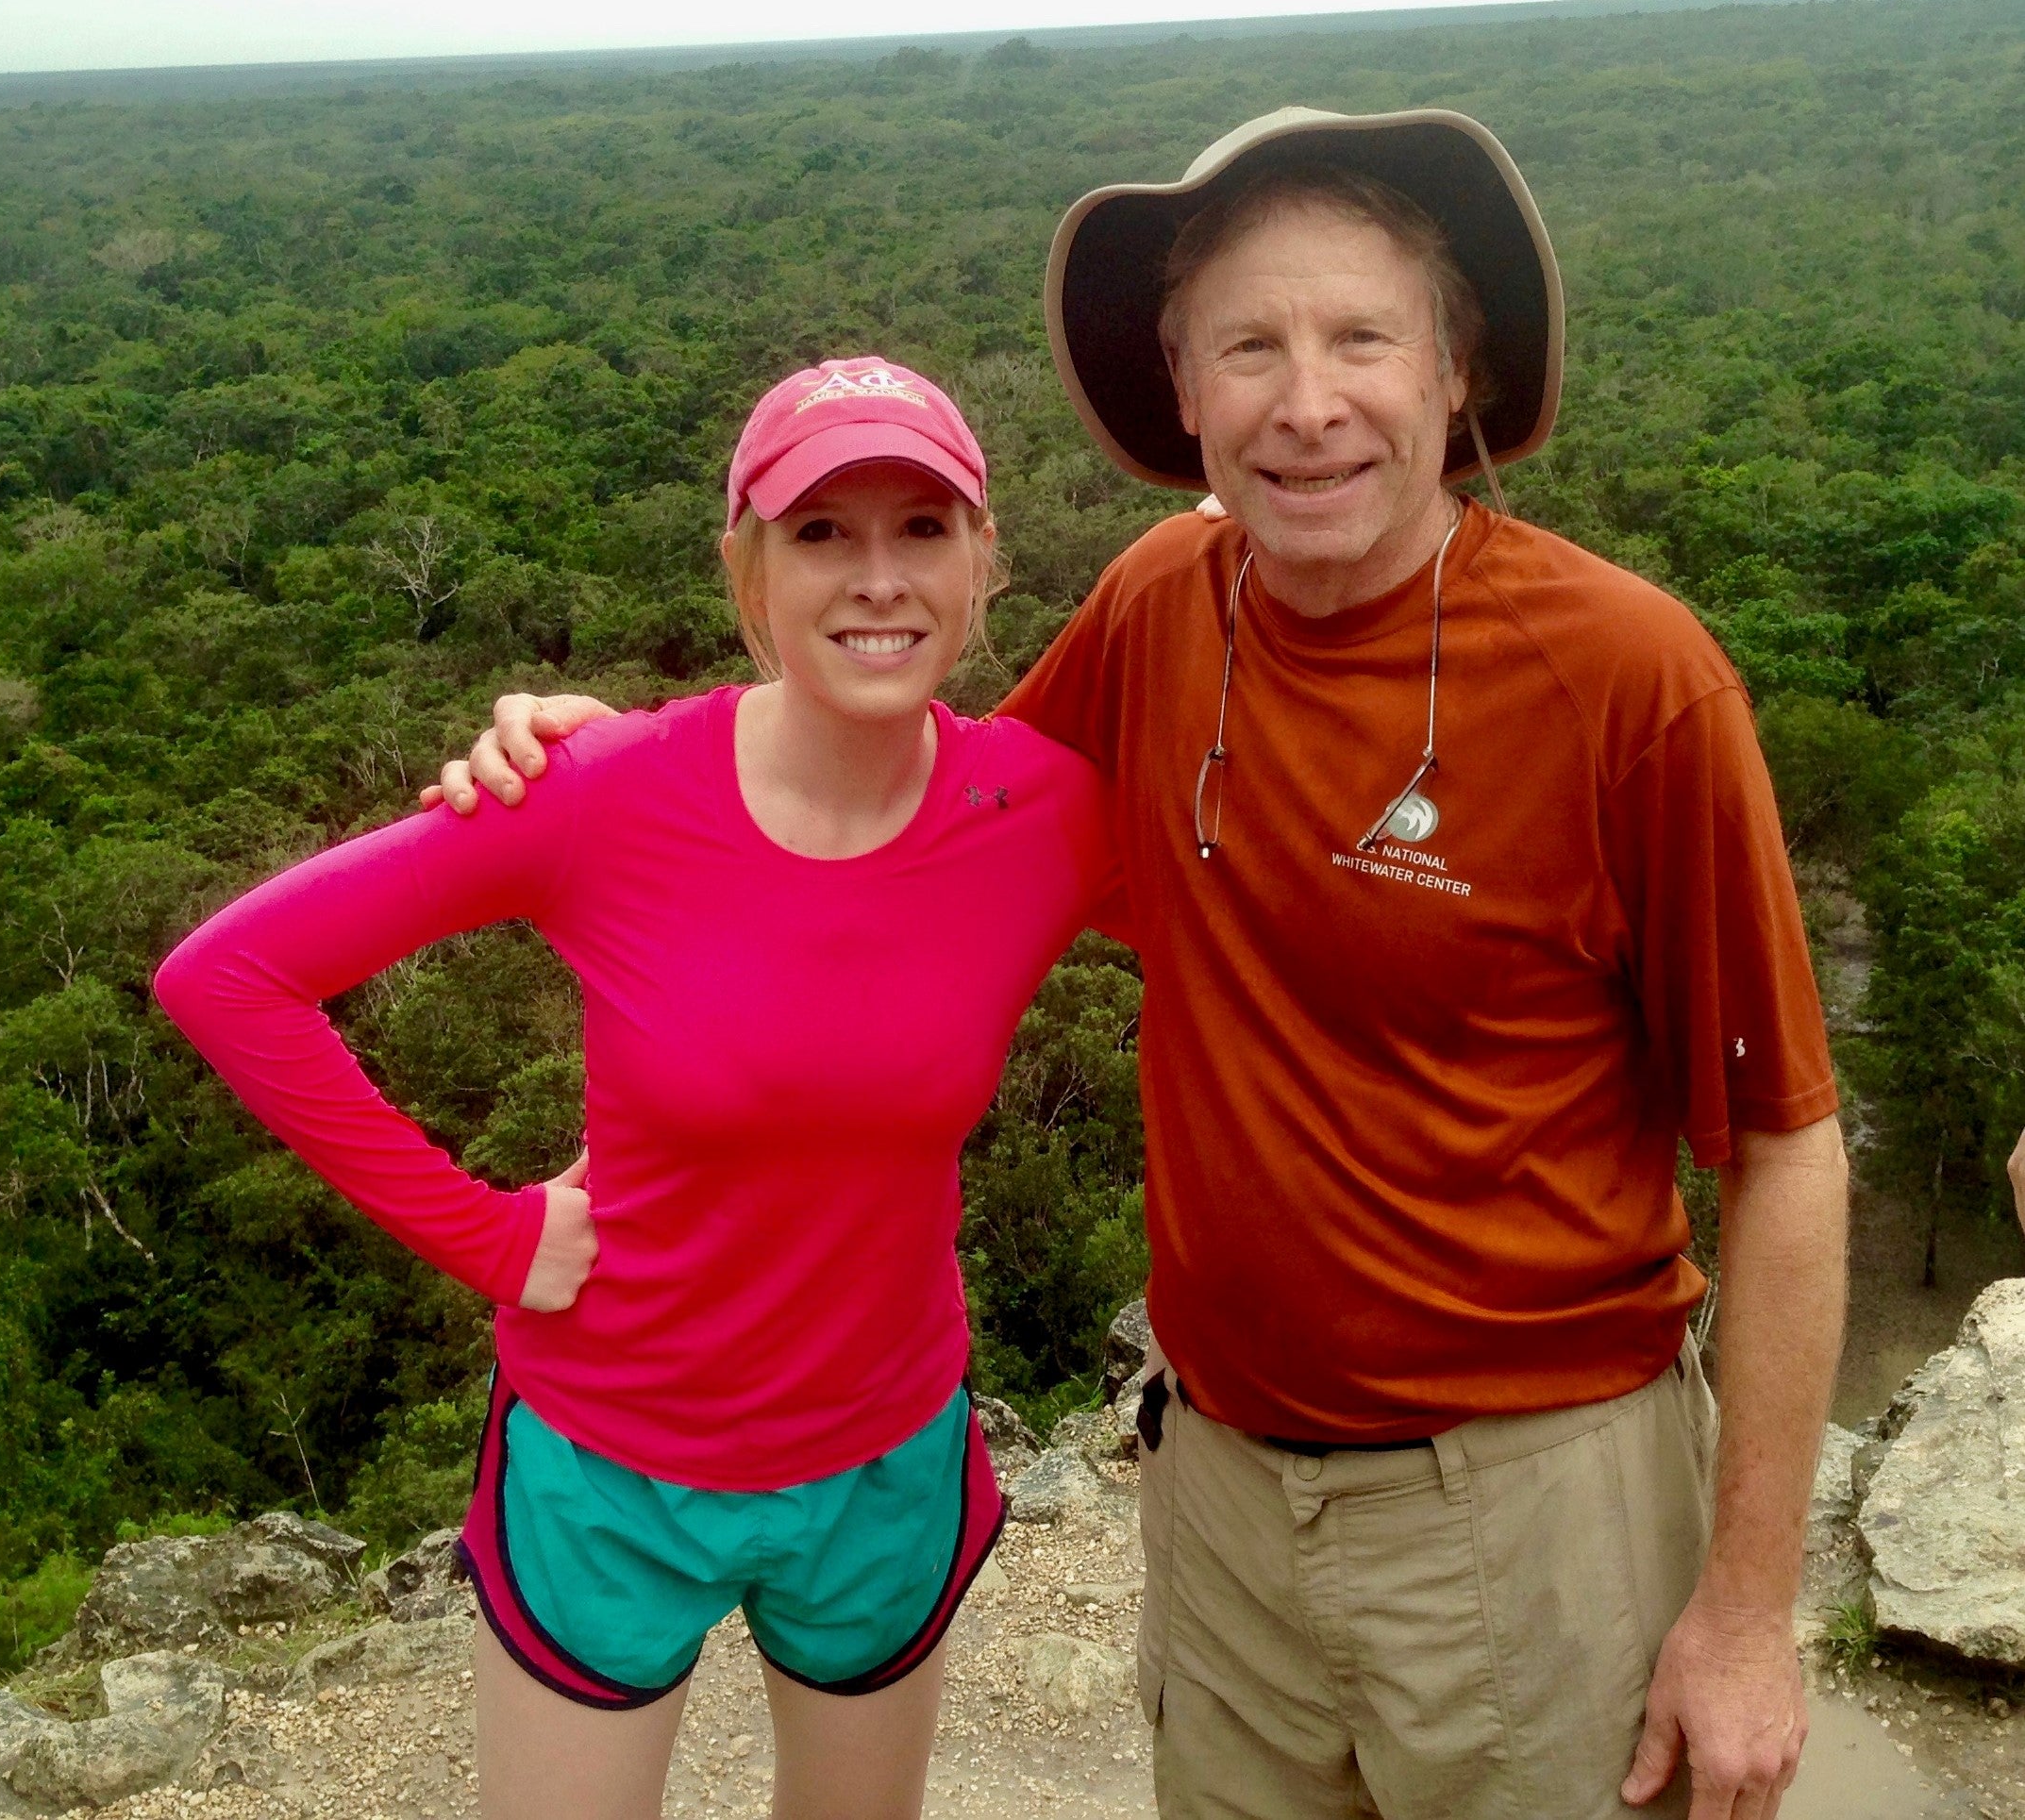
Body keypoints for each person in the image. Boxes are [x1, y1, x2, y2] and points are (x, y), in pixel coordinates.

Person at [429, 109, 1849, 1820]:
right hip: (1228, 1487)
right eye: (1248, 345)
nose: (1304, 400)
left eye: (1361, 338)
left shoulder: (1629, 677)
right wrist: (618, 772)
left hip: (1534, 1500)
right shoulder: (1167, 599)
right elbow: (914, 846)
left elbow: (1784, 1144)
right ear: (1184, 391)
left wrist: (1750, 1609)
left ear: (1458, 370)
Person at [155, 357, 1114, 1820]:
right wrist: (480, 1234)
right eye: (819, 532)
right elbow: (228, 978)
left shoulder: (1042, 810)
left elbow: (1288, 934)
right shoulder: (600, 790)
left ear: (987, 560)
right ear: (747, 570)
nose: (878, 577)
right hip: (614, 1460)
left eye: (923, 528)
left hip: (886, 1452)